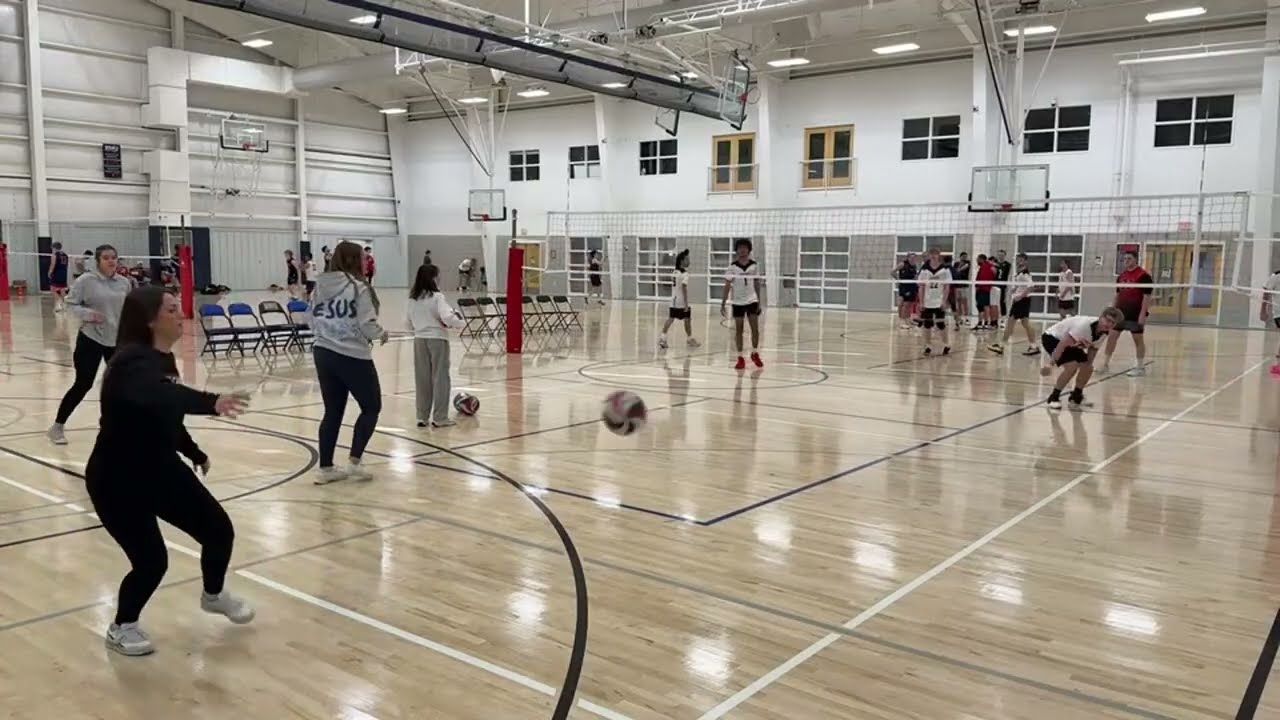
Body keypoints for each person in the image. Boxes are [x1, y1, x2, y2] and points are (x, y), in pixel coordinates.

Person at [86, 285, 253, 656]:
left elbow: (167, 416)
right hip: (117, 479)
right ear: (150, 319)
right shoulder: (129, 362)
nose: (181, 315)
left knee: (218, 530)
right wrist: (212, 402)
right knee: (151, 562)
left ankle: (213, 595)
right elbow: (160, 396)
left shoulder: (164, 362)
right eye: (172, 309)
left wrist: (193, 451)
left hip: (160, 468)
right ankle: (122, 626)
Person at [309, 241, 388, 484]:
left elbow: (310, 318)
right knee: (371, 406)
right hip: (352, 355)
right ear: (354, 261)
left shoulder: (319, 286)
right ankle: (354, 462)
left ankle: (325, 468)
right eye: (363, 259)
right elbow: (366, 323)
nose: (367, 263)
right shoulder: (358, 288)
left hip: (323, 351)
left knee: (332, 410)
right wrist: (380, 333)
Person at [48, 245, 133, 446]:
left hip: (116, 340)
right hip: (91, 338)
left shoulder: (124, 283)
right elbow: (70, 304)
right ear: (98, 261)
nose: (111, 261)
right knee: (83, 383)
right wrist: (88, 314)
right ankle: (57, 427)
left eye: (114, 257)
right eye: (106, 258)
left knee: (118, 386)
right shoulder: (86, 281)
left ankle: (112, 426)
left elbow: (129, 308)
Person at [407, 264, 464, 428]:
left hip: (419, 339)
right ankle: (440, 417)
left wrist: (420, 327)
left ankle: (421, 416)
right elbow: (447, 317)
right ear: (433, 277)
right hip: (437, 339)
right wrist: (461, 323)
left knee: (422, 378)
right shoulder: (437, 297)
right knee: (440, 378)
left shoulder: (413, 298)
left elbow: (408, 321)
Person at [1039, 307, 1124, 410]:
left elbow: (1093, 348)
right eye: (1107, 320)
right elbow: (1062, 344)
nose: (1109, 324)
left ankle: (1076, 396)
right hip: (1053, 338)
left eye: (1113, 323)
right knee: (1072, 367)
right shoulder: (1084, 327)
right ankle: (1054, 397)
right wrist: (1050, 364)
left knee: (1088, 368)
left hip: (1073, 343)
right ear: (1101, 317)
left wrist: (1088, 365)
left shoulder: (1104, 333)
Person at [1099, 250, 1153, 376]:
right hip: (1120, 313)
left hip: (1135, 313)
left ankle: (1140, 367)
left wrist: (1142, 315)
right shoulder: (1121, 276)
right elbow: (1117, 294)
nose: (1126, 261)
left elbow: (1146, 298)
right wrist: (1112, 311)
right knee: (1111, 337)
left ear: (1135, 259)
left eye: (1129, 258)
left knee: (1138, 339)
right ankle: (1105, 365)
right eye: (1124, 259)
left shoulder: (1143, 276)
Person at [720, 238, 764, 370]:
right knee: (738, 330)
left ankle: (755, 353)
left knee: (755, 329)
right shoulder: (732, 267)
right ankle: (740, 358)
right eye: (740, 248)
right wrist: (723, 303)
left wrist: (759, 302)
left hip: (752, 300)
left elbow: (757, 283)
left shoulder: (754, 265)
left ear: (749, 250)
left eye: (745, 247)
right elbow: (727, 285)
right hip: (737, 301)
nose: (742, 250)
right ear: (736, 250)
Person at [988, 253, 1039, 356]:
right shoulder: (1020, 273)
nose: (1018, 261)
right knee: (1021, 323)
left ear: (1025, 261)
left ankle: (1002, 346)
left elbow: (1031, 286)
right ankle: (1033, 346)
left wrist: (1021, 296)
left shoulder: (1025, 273)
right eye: (1017, 260)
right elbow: (1023, 286)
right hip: (1020, 301)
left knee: (1013, 322)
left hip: (1022, 301)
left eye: (1020, 260)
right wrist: (1014, 290)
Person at [659, 249, 699, 349]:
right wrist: (686, 304)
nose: (689, 261)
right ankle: (689, 339)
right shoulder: (685, 274)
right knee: (687, 319)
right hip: (681, 301)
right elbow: (684, 287)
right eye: (687, 259)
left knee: (671, 318)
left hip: (673, 300)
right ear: (682, 261)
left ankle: (663, 338)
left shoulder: (674, 272)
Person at [915, 247, 952, 356]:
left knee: (940, 323)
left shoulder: (945, 269)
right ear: (929, 255)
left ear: (939, 255)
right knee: (927, 324)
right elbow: (921, 287)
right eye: (931, 254)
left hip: (939, 300)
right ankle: (928, 346)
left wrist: (944, 301)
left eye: (935, 254)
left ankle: (946, 344)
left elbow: (947, 287)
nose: (933, 256)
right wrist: (921, 302)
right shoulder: (924, 270)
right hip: (928, 301)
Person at [1261, 268, 1280, 374]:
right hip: (1279, 312)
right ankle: (1277, 366)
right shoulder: (1276, 277)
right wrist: (1263, 310)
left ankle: (1277, 365)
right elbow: (1266, 292)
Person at [973, 254, 997, 331]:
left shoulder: (988, 266)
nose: (976, 260)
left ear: (981, 259)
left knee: (986, 306)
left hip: (984, 289)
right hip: (980, 289)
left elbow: (993, 274)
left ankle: (986, 323)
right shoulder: (983, 267)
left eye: (977, 259)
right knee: (979, 306)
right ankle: (980, 323)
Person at [893, 254, 918, 329]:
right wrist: (898, 279)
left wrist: (916, 279)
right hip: (904, 286)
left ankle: (908, 319)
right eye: (911, 257)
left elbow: (914, 275)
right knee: (904, 304)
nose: (913, 259)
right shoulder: (902, 264)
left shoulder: (914, 265)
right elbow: (892, 272)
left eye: (914, 257)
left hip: (912, 286)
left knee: (910, 304)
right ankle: (902, 321)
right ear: (908, 258)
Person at [950, 252, 971, 327]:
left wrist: (958, 269)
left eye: (966, 256)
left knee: (964, 301)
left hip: (964, 285)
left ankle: (967, 318)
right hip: (957, 285)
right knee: (958, 301)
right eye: (963, 256)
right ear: (960, 257)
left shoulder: (968, 263)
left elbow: (962, 268)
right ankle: (960, 318)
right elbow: (954, 271)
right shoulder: (956, 263)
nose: (965, 258)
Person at [48, 241, 69, 312]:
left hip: (56, 274)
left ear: (54, 248)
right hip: (63, 274)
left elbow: (52, 264)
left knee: (52, 289)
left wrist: (50, 272)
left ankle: (59, 303)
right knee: (62, 289)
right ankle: (65, 305)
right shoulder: (65, 255)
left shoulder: (54, 255)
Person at [994, 249, 1012, 324]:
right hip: (994, 284)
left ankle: (1003, 318)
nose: (1000, 256)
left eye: (1002, 255)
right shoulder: (994, 263)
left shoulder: (1007, 264)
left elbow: (1007, 275)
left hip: (1002, 285)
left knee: (1002, 301)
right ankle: (994, 319)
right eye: (999, 255)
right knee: (994, 302)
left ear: (1005, 255)